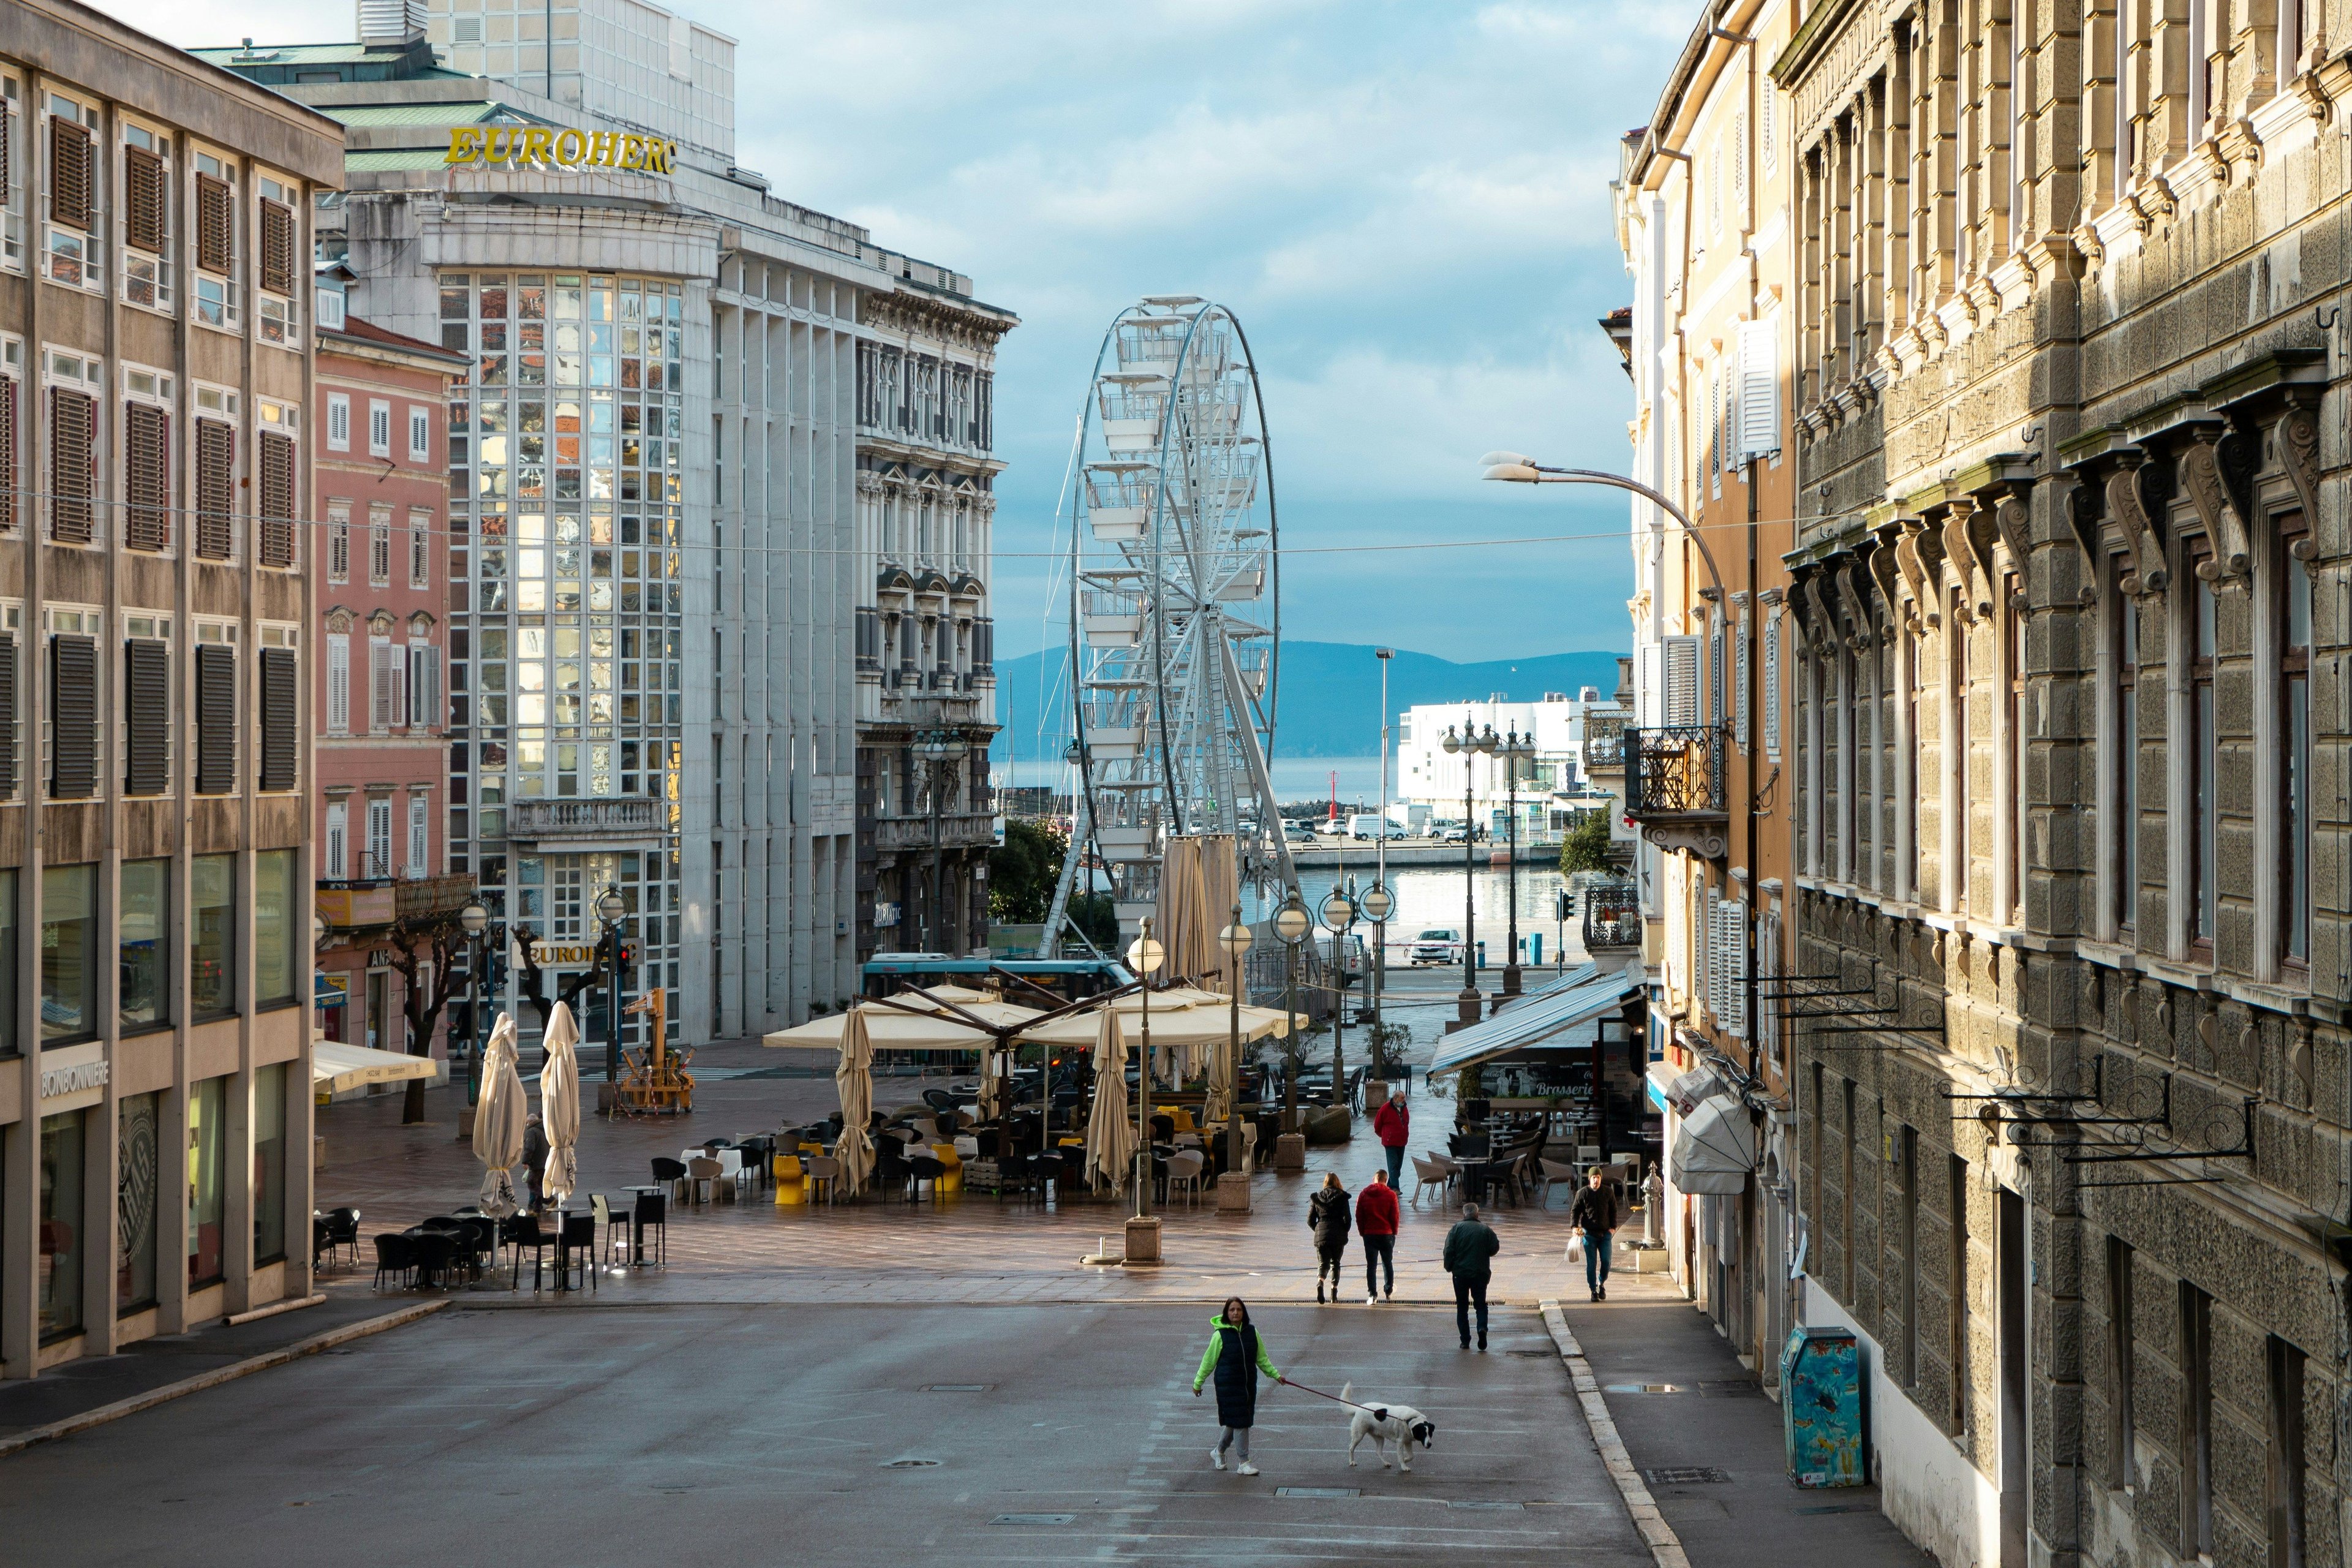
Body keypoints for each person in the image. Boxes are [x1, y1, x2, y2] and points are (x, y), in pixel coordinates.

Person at [1194, 1296, 1281, 1476]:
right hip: (1228, 1386)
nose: (1236, 1313)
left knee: (1235, 1421)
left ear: (1244, 1313)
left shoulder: (1252, 1332)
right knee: (1241, 1421)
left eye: (1239, 1310)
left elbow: (1262, 1359)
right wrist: (1198, 1382)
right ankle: (1244, 1462)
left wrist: (1276, 1375)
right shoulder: (1220, 1335)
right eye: (1232, 1310)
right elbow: (1208, 1361)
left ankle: (1218, 1451)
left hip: (1248, 1385)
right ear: (1226, 1313)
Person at [1442, 1201, 1501, 1350]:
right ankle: (1482, 1327)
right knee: (1481, 1304)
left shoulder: (1456, 1229)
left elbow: (1449, 1250)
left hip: (1460, 1275)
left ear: (1464, 1214)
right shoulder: (1485, 1229)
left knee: (1462, 1307)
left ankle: (1465, 1340)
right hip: (1480, 1274)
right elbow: (1494, 1248)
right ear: (1477, 1214)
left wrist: (1449, 1267)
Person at [1569, 1164, 1623, 1300]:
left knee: (1606, 1261)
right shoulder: (1582, 1193)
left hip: (1605, 1234)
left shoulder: (1608, 1192)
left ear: (1601, 1179)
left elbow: (1613, 1210)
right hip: (1589, 1234)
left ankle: (1601, 1282)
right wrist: (1574, 1227)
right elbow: (1575, 1211)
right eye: (1594, 1178)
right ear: (1590, 1179)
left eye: (1598, 1178)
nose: (1596, 1181)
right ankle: (1593, 1289)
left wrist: (1613, 1228)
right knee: (1591, 1264)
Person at [1356, 1169, 1400, 1303]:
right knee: (1387, 1263)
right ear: (1386, 1181)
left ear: (1374, 1179)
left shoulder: (1364, 1194)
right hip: (1386, 1234)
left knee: (1371, 1266)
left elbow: (1359, 1216)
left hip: (1370, 1234)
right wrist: (1394, 1232)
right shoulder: (1391, 1195)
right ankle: (1388, 1290)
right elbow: (1395, 1217)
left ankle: (1372, 1294)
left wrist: (1362, 1231)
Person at [1309, 1172, 1352, 1303]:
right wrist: (1344, 1230)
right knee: (1336, 1264)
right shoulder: (1342, 1197)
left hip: (1321, 1235)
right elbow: (1348, 1219)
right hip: (1338, 1235)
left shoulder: (1317, 1198)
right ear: (1338, 1182)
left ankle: (1320, 1282)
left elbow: (1310, 1219)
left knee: (1323, 1263)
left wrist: (1318, 1229)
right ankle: (1334, 1293)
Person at [1372, 1093, 1410, 1187]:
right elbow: (1377, 1125)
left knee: (1398, 1166)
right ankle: (1395, 1187)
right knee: (1393, 1165)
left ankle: (1390, 1185)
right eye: (1402, 1098)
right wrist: (1384, 1136)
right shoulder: (1386, 1109)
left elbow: (1406, 1121)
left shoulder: (1404, 1108)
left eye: (1404, 1098)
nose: (1404, 1100)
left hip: (1402, 1141)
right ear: (1395, 1098)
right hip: (1390, 1142)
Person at [522, 1114, 550, 1212]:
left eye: (526, 1123)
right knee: (540, 1184)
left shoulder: (531, 1131)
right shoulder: (545, 1130)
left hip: (536, 1163)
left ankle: (549, 1199)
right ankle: (537, 1207)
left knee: (532, 1183)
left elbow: (529, 1148)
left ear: (530, 1122)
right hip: (546, 1162)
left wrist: (525, 1161)